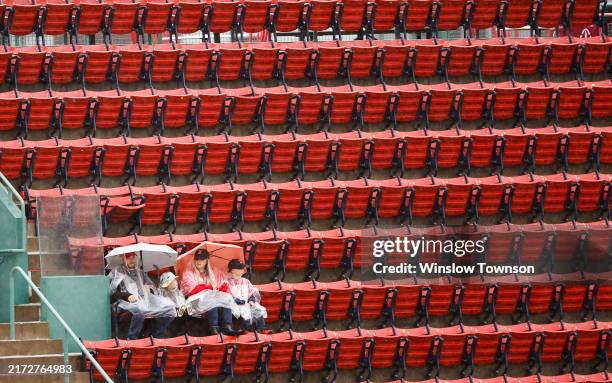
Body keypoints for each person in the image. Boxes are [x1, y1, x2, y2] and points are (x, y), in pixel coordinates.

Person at [108, 253, 176, 340]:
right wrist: (127, 296)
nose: (132, 260)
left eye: (133, 257)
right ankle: (132, 339)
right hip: (125, 303)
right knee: (138, 311)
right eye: (129, 258)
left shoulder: (140, 272)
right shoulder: (117, 271)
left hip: (144, 300)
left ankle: (157, 335)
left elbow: (151, 287)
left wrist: (150, 289)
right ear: (122, 257)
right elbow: (112, 294)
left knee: (170, 308)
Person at [180, 250, 241, 335]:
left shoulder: (214, 271)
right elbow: (192, 289)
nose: (199, 261)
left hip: (212, 297)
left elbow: (224, 284)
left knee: (226, 297)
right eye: (197, 259)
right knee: (212, 299)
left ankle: (227, 326)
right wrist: (211, 288)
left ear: (207, 260)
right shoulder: (188, 272)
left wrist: (218, 289)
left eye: (202, 259)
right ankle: (213, 327)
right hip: (195, 301)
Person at [225, 259, 268, 331]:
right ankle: (247, 329)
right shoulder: (227, 282)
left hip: (247, 303)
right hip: (235, 305)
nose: (242, 270)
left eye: (242, 268)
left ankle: (263, 328)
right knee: (245, 311)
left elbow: (252, 292)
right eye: (240, 268)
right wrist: (242, 302)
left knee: (259, 309)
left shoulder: (245, 281)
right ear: (232, 270)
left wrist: (251, 300)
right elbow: (228, 296)